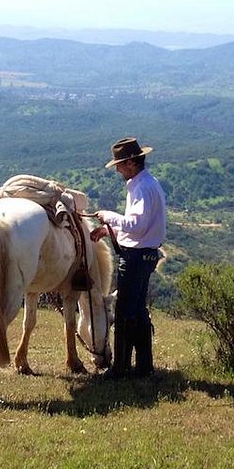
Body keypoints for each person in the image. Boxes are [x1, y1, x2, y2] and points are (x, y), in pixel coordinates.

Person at [91, 137, 166, 378]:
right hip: (144, 255)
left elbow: (136, 224)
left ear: (131, 162)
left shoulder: (141, 187)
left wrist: (109, 217)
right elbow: (140, 228)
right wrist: (109, 231)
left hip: (135, 258)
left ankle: (120, 368)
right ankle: (144, 366)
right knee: (139, 310)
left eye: (120, 165)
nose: (118, 170)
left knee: (124, 312)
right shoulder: (147, 183)